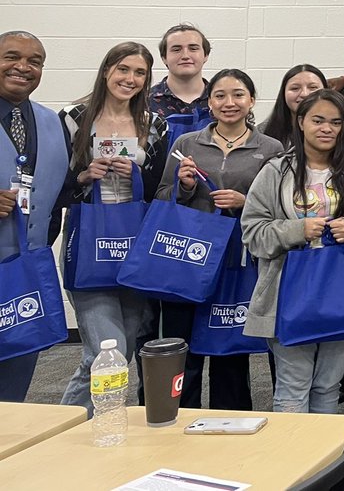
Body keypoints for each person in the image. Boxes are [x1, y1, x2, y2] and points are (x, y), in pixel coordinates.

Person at [241, 90, 344, 414]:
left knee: (328, 387)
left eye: (336, 122)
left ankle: (327, 464)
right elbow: (252, 232)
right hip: (287, 292)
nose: (327, 128)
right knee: (293, 388)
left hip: (342, 289)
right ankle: (292, 464)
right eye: (318, 120)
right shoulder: (275, 171)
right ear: (301, 121)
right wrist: (296, 230)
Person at [156, 68, 284, 410]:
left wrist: (247, 203)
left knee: (229, 346)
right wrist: (183, 187)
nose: (230, 103)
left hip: (239, 258)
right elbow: (162, 196)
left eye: (238, 94)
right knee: (184, 345)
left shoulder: (270, 147)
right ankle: (178, 421)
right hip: (189, 257)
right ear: (209, 102)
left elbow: (282, 206)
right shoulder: (187, 144)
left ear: (252, 100)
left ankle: (232, 424)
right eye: (220, 96)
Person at [59, 42, 168, 413]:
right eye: (123, 69)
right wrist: (83, 176)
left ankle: (92, 424)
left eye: (140, 73)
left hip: (134, 245)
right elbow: (57, 185)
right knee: (107, 349)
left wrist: (136, 175)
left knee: (121, 350)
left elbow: (156, 190)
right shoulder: (73, 117)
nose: (130, 79)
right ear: (107, 70)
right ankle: (66, 426)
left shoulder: (154, 124)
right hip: (91, 241)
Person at [0, 31, 70, 402]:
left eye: (35, 61)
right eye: (12, 57)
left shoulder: (49, 121)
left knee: (15, 381)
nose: (23, 67)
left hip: (25, 271)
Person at [148, 23, 211, 117]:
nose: (185, 56)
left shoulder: (221, 100)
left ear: (206, 55)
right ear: (164, 58)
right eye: (176, 50)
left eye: (193, 49)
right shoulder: (145, 102)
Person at [260, 64, 329, 147]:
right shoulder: (262, 133)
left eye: (313, 87)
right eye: (295, 88)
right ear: (283, 93)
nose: (304, 94)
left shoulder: (336, 131)